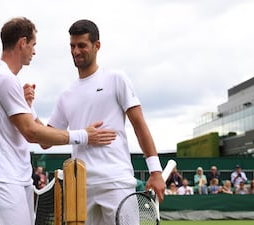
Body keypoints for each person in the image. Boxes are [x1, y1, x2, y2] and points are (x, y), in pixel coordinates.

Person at [0, 17, 116, 225]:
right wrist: (84, 136)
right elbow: (32, 133)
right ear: (22, 43)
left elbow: (39, 136)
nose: (34, 51)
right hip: (3, 180)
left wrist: (28, 105)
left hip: (14, 179)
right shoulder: (4, 79)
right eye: (33, 45)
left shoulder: (5, 79)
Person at [42, 19, 165, 225]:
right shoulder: (66, 95)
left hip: (116, 182)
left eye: (82, 45)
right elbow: (45, 140)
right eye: (72, 46)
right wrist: (27, 107)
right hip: (80, 187)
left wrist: (156, 171)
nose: (76, 51)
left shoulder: (116, 78)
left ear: (96, 46)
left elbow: (139, 124)